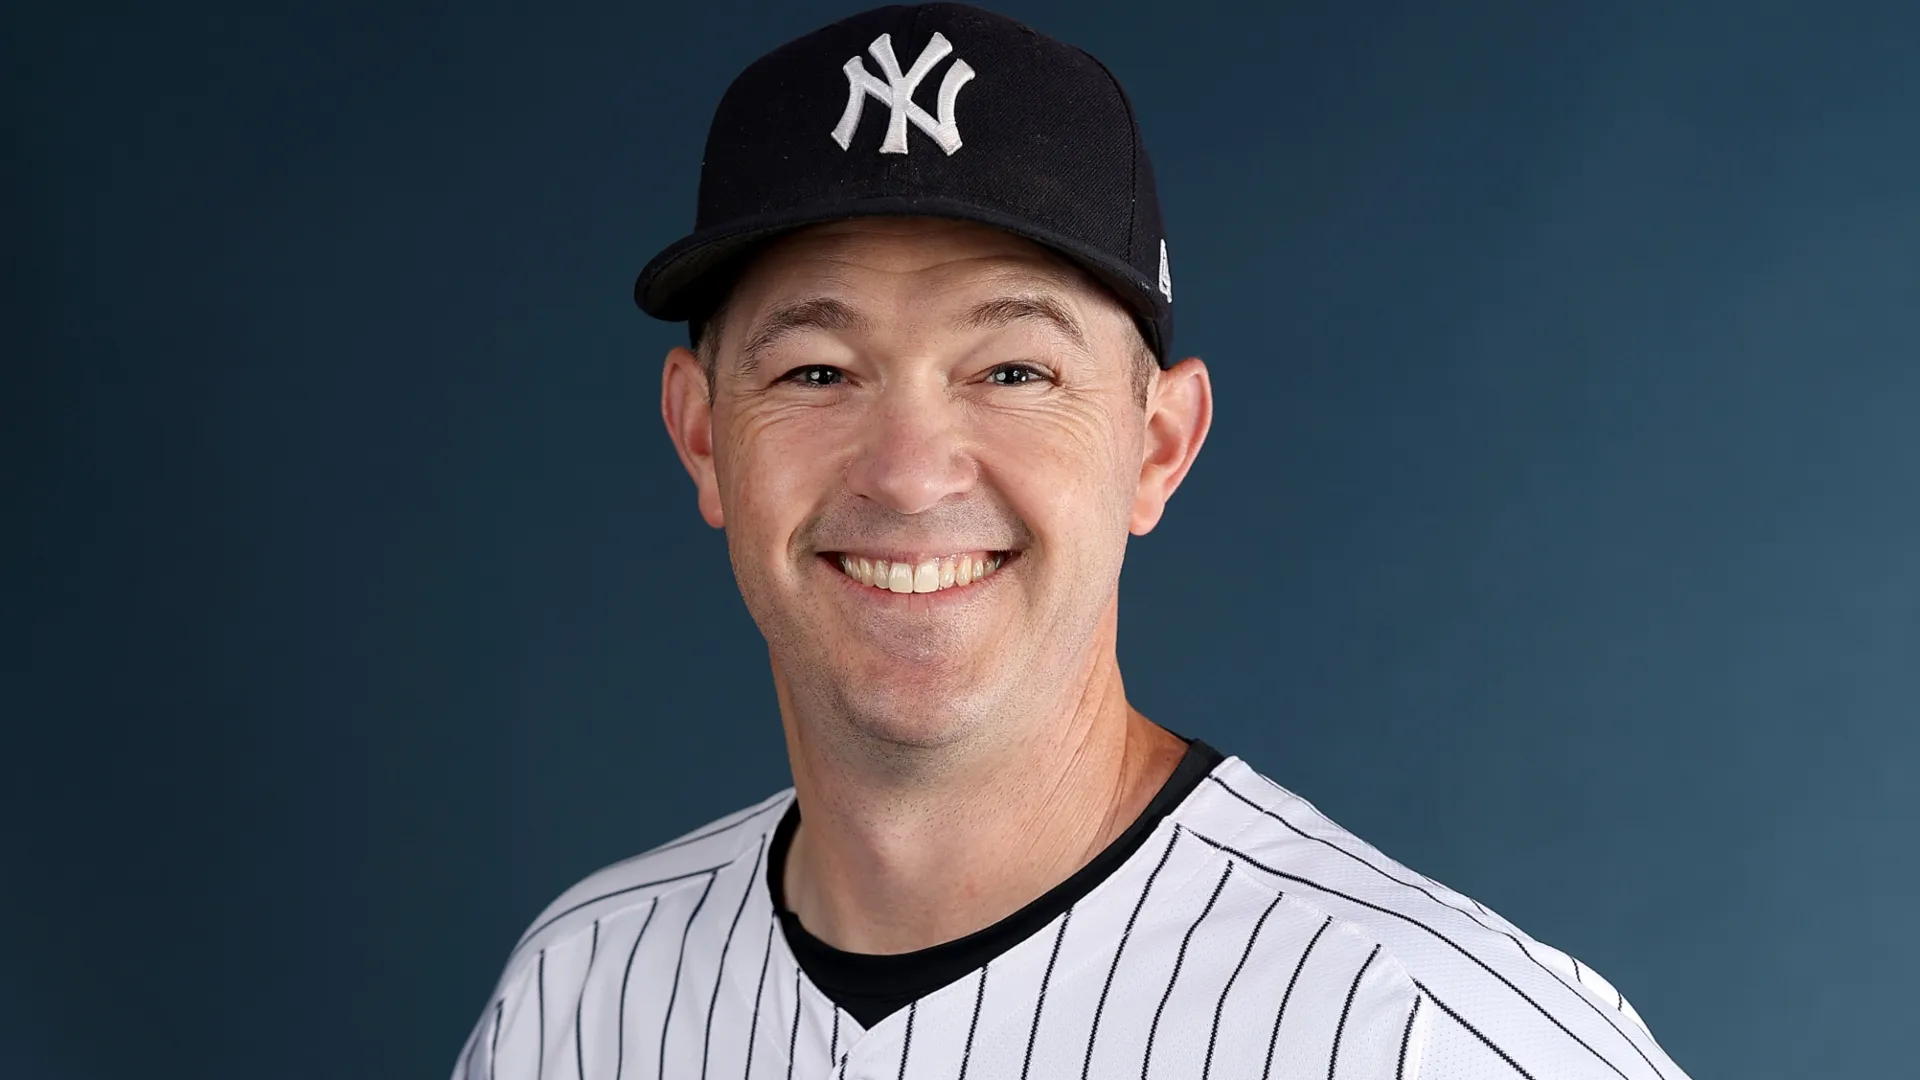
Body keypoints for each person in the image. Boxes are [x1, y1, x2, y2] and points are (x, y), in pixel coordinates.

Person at [452, 5, 1693, 1077]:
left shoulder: (1432, 1034)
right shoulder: (578, 997)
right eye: (819, 370)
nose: (909, 470)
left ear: (1157, 444)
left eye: (1013, 368)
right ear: (704, 436)